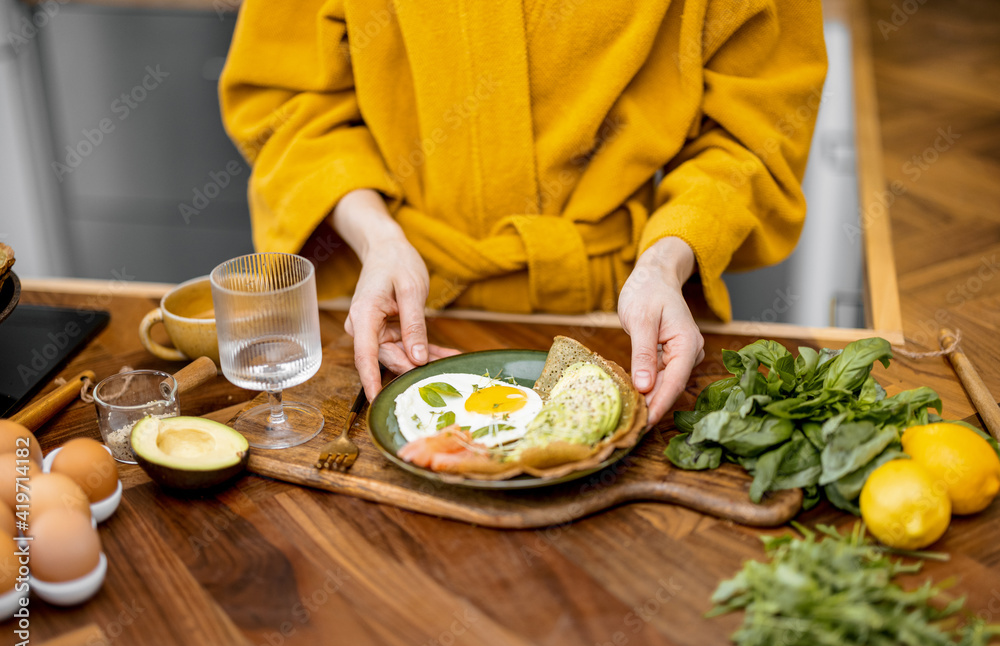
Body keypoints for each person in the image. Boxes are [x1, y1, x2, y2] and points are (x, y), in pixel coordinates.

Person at [219, 0, 827, 425]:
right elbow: (287, 102)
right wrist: (378, 239)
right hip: (388, 318)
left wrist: (668, 260)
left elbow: (758, 127)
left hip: (620, 313)